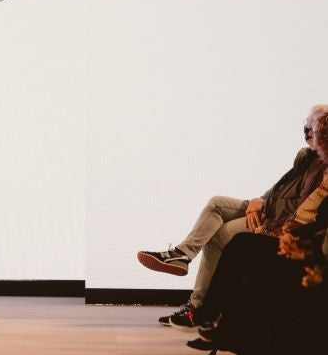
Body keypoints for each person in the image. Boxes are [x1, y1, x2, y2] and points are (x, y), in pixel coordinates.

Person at [137, 104, 328, 329]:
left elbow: (304, 213)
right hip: (268, 209)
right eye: (307, 125)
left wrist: (270, 229)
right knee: (217, 203)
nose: (307, 132)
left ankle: (198, 309)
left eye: (311, 127)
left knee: (222, 234)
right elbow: (280, 188)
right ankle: (181, 255)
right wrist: (259, 201)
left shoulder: (323, 169)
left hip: (276, 222)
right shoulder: (305, 156)